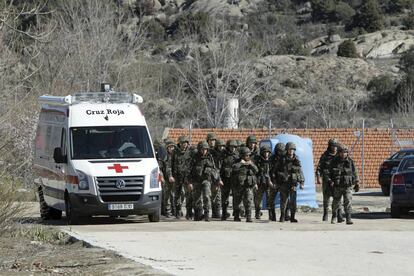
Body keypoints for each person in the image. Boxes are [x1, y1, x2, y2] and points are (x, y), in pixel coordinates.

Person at [188, 141, 222, 221]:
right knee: (196, 198)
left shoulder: (210, 157)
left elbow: (214, 170)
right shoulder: (195, 158)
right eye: (202, 149)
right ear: (199, 149)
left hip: (206, 180)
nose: (204, 151)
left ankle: (207, 214)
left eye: (205, 149)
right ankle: (198, 214)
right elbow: (189, 170)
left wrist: (218, 181)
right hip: (196, 180)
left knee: (207, 196)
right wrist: (189, 182)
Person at [328, 145, 360, 225]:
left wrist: (357, 182)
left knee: (348, 201)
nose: (343, 154)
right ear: (339, 153)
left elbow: (355, 172)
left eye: (345, 152)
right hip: (337, 186)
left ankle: (348, 218)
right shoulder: (334, 162)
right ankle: (334, 216)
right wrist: (330, 181)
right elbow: (329, 173)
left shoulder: (350, 162)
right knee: (336, 202)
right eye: (342, 152)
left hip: (347, 186)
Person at [316, 138, 343, 222]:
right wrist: (318, 177)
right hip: (327, 179)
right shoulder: (325, 155)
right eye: (333, 146)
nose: (334, 148)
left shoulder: (340, 155)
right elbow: (319, 167)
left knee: (338, 198)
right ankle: (325, 214)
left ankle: (339, 215)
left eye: (336, 146)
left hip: (337, 179)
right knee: (326, 198)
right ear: (330, 146)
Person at [277, 142, 304, 223]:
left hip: (293, 183)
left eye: (293, 149)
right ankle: (282, 215)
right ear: (287, 150)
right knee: (283, 201)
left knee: (293, 201)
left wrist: (302, 182)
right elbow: (277, 171)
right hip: (284, 183)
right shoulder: (282, 159)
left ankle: (292, 217)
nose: (291, 151)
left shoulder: (296, 159)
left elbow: (300, 171)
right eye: (290, 149)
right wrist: (283, 175)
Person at [168, 136, 193, 219]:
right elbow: (169, 166)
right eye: (183, 143)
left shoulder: (190, 152)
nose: (184, 144)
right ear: (180, 143)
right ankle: (177, 212)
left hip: (187, 177)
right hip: (177, 177)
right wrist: (170, 175)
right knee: (177, 195)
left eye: (186, 143)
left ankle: (189, 213)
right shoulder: (174, 152)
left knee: (189, 195)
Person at [232, 147, 258, 223]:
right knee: (237, 201)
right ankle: (236, 216)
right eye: (246, 155)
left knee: (249, 201)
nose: (247, 157)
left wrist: (251, 164)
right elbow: (234, 168)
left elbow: (256, 170)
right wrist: (241, 163)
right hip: (238, 185)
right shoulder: (237, 162)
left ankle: (248, 217)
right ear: (242, 155)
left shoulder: (251, 162)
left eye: (248, 155)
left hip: (248, 185)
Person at [220, 140, 239, 220]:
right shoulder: (223, 155)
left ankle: (236, 215)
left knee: (236, 198)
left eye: (234, 147)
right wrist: (219, 179)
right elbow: (219, 168)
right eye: (231, 147)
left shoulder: (237, 156)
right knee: (224, 198)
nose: (233, 148)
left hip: (234, 179)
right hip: (225, 179)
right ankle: (224, 214)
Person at [254, 145, 273, 220]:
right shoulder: (258, 161)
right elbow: (255, 173)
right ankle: (257, 213)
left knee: (270, 199)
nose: (266, 154)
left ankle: (271, 214)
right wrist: (255, 183)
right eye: (265, 152)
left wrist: (271, 181)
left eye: (268, 152)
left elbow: (272, 172)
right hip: (260, 183)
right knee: (258, 200)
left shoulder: (271, 161)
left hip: (268, 183)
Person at [268, 142, 285, 221]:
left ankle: (284, 215)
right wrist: (270, 181)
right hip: (274, 181)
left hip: (282, 182)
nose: (280, 153)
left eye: (281, 151)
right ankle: (272, 215)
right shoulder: (272, 158)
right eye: (278, 151)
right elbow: (268, 170)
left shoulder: (285, 159)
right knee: (271, 199)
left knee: (284, 199)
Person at [210, 139, 226, 218]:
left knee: (220, 196)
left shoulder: (224, 154)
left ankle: (218, 212)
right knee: (216, 195)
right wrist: (218, 180)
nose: (221, 148)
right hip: (215, 177)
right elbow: (215, 168)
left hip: (223, 177)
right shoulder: (214, 155)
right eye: (220, 146)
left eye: (223, 146)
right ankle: (215, 212)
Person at [162, 139, 176, 218]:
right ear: (167, 148)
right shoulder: (164, 156)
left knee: (175, 195)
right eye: (170, 147)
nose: (172, 149)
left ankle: (175, 210)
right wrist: (163, 177)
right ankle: (167, 211)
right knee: (167, 195)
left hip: (175, 178)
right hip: (167, 178)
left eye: (173, 147)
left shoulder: (176, 156)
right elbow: (165, 168)